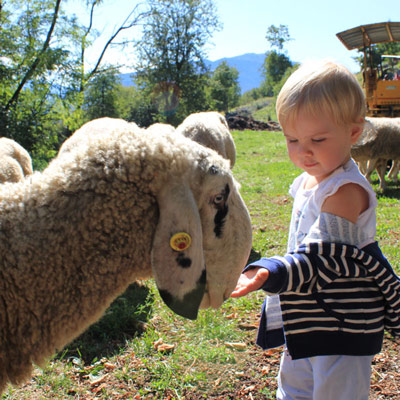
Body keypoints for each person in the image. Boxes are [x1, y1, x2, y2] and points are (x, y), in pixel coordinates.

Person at [231, 60, 400, 400]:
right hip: (307, 314)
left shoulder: (345, 192)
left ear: (354, 133)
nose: (303, 151)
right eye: (292, 139)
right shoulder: (311, 181)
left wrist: (272, 270)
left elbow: (323, 260)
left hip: (342, 324)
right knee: (293, 389)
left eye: (317, 139)